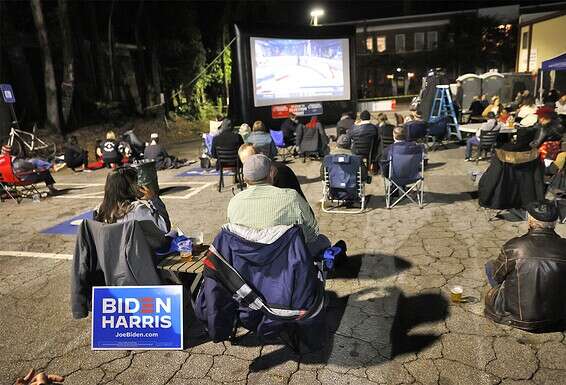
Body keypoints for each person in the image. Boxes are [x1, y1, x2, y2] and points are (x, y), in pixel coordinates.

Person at [484, 200, 566, 332]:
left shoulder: (514, 246)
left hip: (514, 316)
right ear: (555, 222)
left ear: (530, 221)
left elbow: (496, 277)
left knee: (490, 266)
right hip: (555, 318)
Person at [227, 154, 330, 256]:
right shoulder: (291, 197)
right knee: (323, 241)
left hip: (248, 261)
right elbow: (312, 233)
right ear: (272, 173)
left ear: (244, 178)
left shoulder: (234, 202)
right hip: (286, 260)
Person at [94, 166, 171, 233]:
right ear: (130, 187)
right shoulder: (136, 209)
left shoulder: (100, 209)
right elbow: (164, 228)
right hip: (140, 248)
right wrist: (154, 199)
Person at [238, 143, 306, 200]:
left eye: (253, 160)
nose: (250, 166)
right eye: (245, 164)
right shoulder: (250, 176)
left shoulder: (281, 172)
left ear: (261, 155)